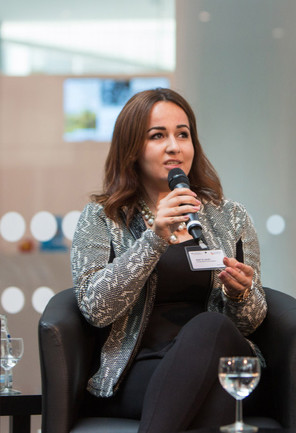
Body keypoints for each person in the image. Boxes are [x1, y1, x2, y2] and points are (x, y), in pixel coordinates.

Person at [70, 88, 266, 433]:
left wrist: (241, 294)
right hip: (141, 370)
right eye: (157, 136)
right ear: (132, 148)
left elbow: (250, 322)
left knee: (212, 328)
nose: (174, 146)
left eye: (183, 134)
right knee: (213, 397)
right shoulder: (101, 217)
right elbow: (95, 308)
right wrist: (154, 239)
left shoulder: (230, 216)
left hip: (224, 359)